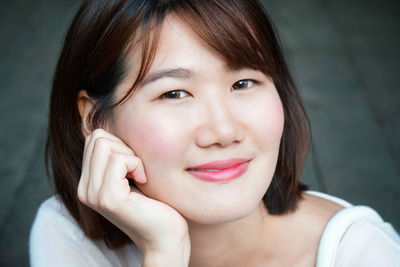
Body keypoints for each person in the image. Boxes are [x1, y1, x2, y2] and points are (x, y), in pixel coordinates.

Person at [29, 0, 400, 266]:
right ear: (95, 119)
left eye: (243, 82)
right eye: (174, 93)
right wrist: (165, 253)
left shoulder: (359, 253)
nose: (223, 131)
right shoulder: (70, 237)